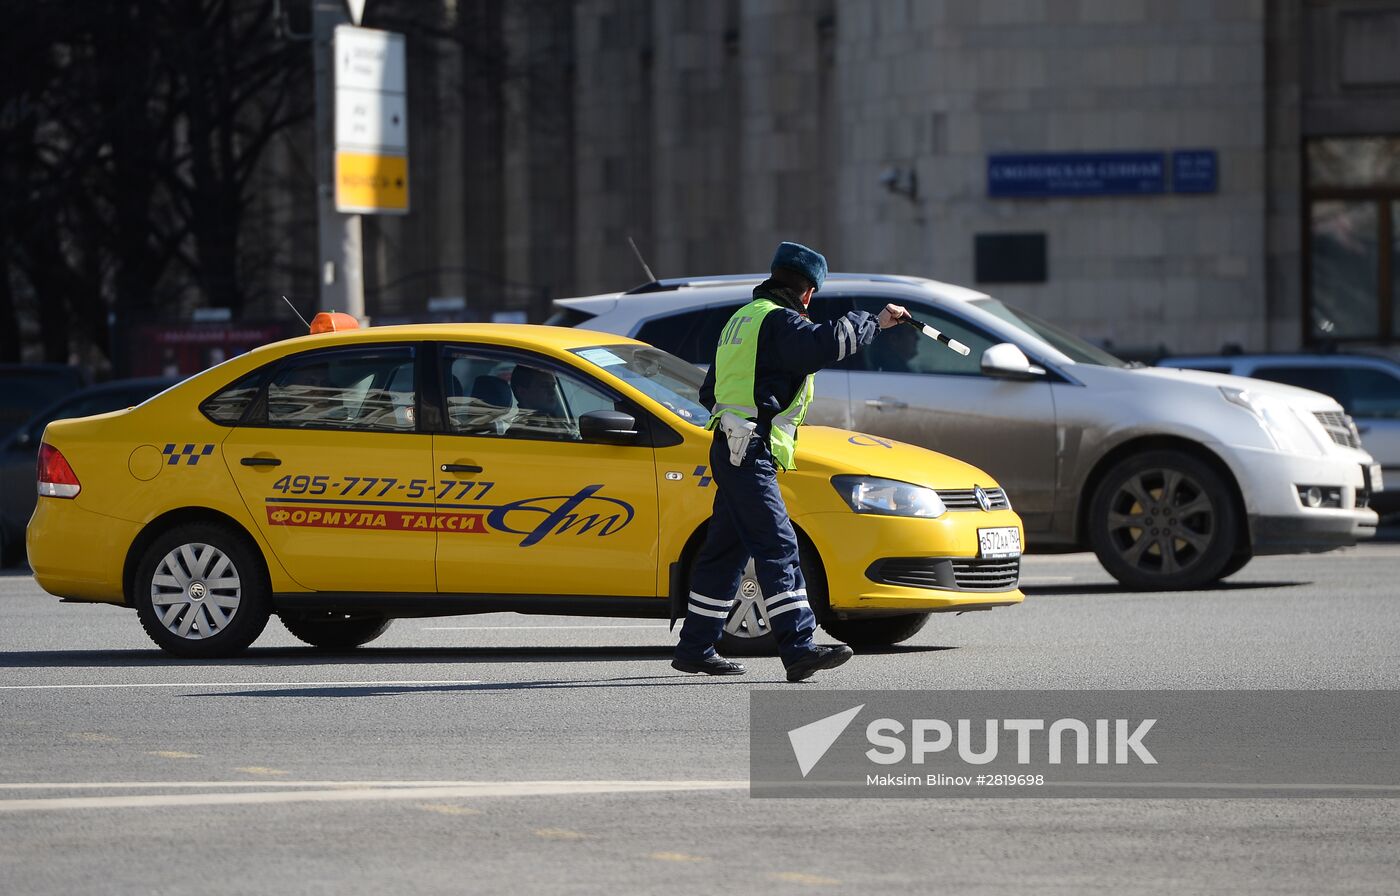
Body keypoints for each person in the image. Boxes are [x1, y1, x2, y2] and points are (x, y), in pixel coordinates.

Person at [672, 242, 908, 682]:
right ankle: (799, 647)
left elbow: (711, 390)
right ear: (807, 293)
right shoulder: (780, 321)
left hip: (731, 446)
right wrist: (874, 322)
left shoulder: (740, 321)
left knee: (726, 549)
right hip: (750, 450)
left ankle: (694, 647)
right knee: (779, 545)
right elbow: (823, 345)